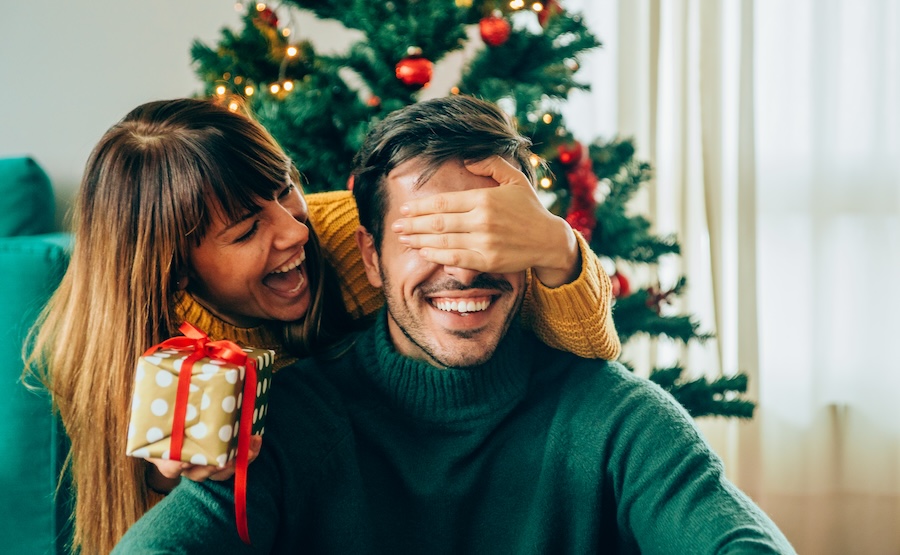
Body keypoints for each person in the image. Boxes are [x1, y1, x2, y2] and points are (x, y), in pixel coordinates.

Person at [113, 95, 795, 554]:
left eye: (485, 233)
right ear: (371, 257)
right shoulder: (284, 424)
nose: (461, 269)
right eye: (425, 236)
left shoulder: (614, 417)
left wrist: (559, 248)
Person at [25, 97, 621, 554]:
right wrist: (165, 481)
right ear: (178, 274)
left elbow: (587, 352)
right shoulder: (131, 360)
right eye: (244, 231)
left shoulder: (360, 239)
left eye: (285, 192)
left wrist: (556, 244)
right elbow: (143, 529)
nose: (293, 233)